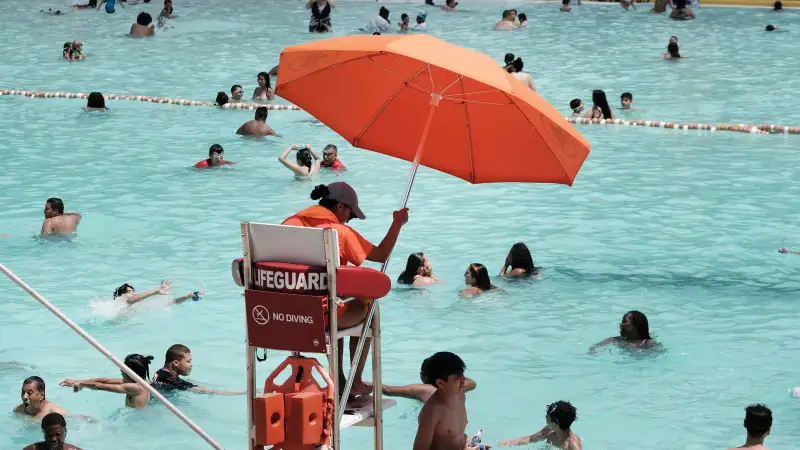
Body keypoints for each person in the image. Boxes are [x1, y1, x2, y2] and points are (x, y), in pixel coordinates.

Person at [282, 182, 409, 400]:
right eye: (350, 214)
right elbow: (381, 255)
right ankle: (355, 381)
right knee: (369, 310)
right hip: (320, 317)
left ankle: (338, 378)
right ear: (340, 207)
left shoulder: (289, 224)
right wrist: (397, 224)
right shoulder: (339, 232)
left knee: (336, 301)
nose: (349, 219)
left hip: (284, 316)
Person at [413, 352, 484, 450]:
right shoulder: (432, 412)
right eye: (457, 377)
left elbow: (456, 436)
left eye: (462, 373)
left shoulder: (460, 396)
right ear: (441, 383)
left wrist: (470, 443)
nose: (464, 379)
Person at [60, 354, 154, 409]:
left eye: (122, 369)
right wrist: (76, 381)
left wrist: (81, 384)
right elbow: (104, 381)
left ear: (129, 373)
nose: (120, 370)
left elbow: (100, 386)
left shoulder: (136, 387)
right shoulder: (134, 382)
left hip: (137, 423)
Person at [379, 354, 475, 403]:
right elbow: (472, 383)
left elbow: (387, 390)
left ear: (422, 376)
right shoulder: (458, 389)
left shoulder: (422, 389)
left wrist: (367, 384)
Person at [152, 344, 243, 395]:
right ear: (176, 363)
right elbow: (203, 390)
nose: (191, 365)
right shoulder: (170, 380)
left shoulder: (161, 373)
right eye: (188, 361)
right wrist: (242, 393)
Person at [498, 401, 581, 450]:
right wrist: (510, 442)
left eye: (547, 417)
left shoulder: (572, 445)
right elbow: (530, 439)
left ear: (555, 424)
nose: (545, 418)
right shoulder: (549, 430)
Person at [589, 310, 658, 353]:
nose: (621, 324)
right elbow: (595, 346)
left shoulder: (648, 344)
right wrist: (593, 351)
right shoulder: (617, 340)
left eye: (624, 321)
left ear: (636, 326)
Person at [113, 281, 204, 306]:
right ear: (122, 295)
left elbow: (171, 303)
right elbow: (130, 300)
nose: (132, 293)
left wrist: (187, 297)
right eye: (129, 292)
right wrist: (155, 291)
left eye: (133, 291)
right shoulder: (123, 302)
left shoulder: (140, 304)